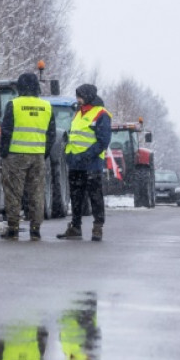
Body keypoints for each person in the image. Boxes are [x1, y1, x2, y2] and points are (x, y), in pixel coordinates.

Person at [0, 73, 55, 240]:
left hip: (16, 155)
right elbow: (51, 134)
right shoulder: (46, 106)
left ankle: (13, 228)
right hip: (37, 156)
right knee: (37, 192)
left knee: (13, 193)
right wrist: (43, 153)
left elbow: (6, 131)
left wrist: (3, 152)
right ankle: (35, 228)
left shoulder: (14, 105)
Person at [57, 84, 111, 242]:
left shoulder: (101, 114)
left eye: (79, 96)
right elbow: (74, 135)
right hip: (75, 162)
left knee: (95, 196)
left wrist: (86, 155)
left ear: (87, 96)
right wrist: (68, 154)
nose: (77, 99)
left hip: (92, 164)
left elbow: (103, 141)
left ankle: (98, 227)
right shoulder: (77, 113)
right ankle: (75, 227)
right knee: (76, 196)